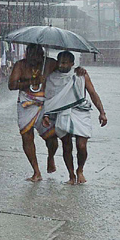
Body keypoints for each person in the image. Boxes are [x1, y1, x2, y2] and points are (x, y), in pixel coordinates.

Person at [38, 51, 107, 185]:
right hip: (62, 113)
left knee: (81, 146)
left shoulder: (80, 74)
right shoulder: (52, 77)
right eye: (60, 62)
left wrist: (102, 112)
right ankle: (71, 175)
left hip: (81, 111)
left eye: (64, 62)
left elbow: (92, 93)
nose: (61, 65)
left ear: (72, 63)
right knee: (67, 145)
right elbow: (49, 98)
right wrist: (46, 114)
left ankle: (80, 170)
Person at [8, 43, 53, 182]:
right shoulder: (20, 65)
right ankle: (36, 171)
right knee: (26, 136)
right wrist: (31, 81)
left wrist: (80, 71)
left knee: (52, 138)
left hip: (45, 103)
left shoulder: (50, 63)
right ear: (27, 54)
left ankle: (51, 157)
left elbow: (66, 70)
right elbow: (11, 85)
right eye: (30, 55)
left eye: (36, 55)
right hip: (26, 103)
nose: (33, 59)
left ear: (42, 55)